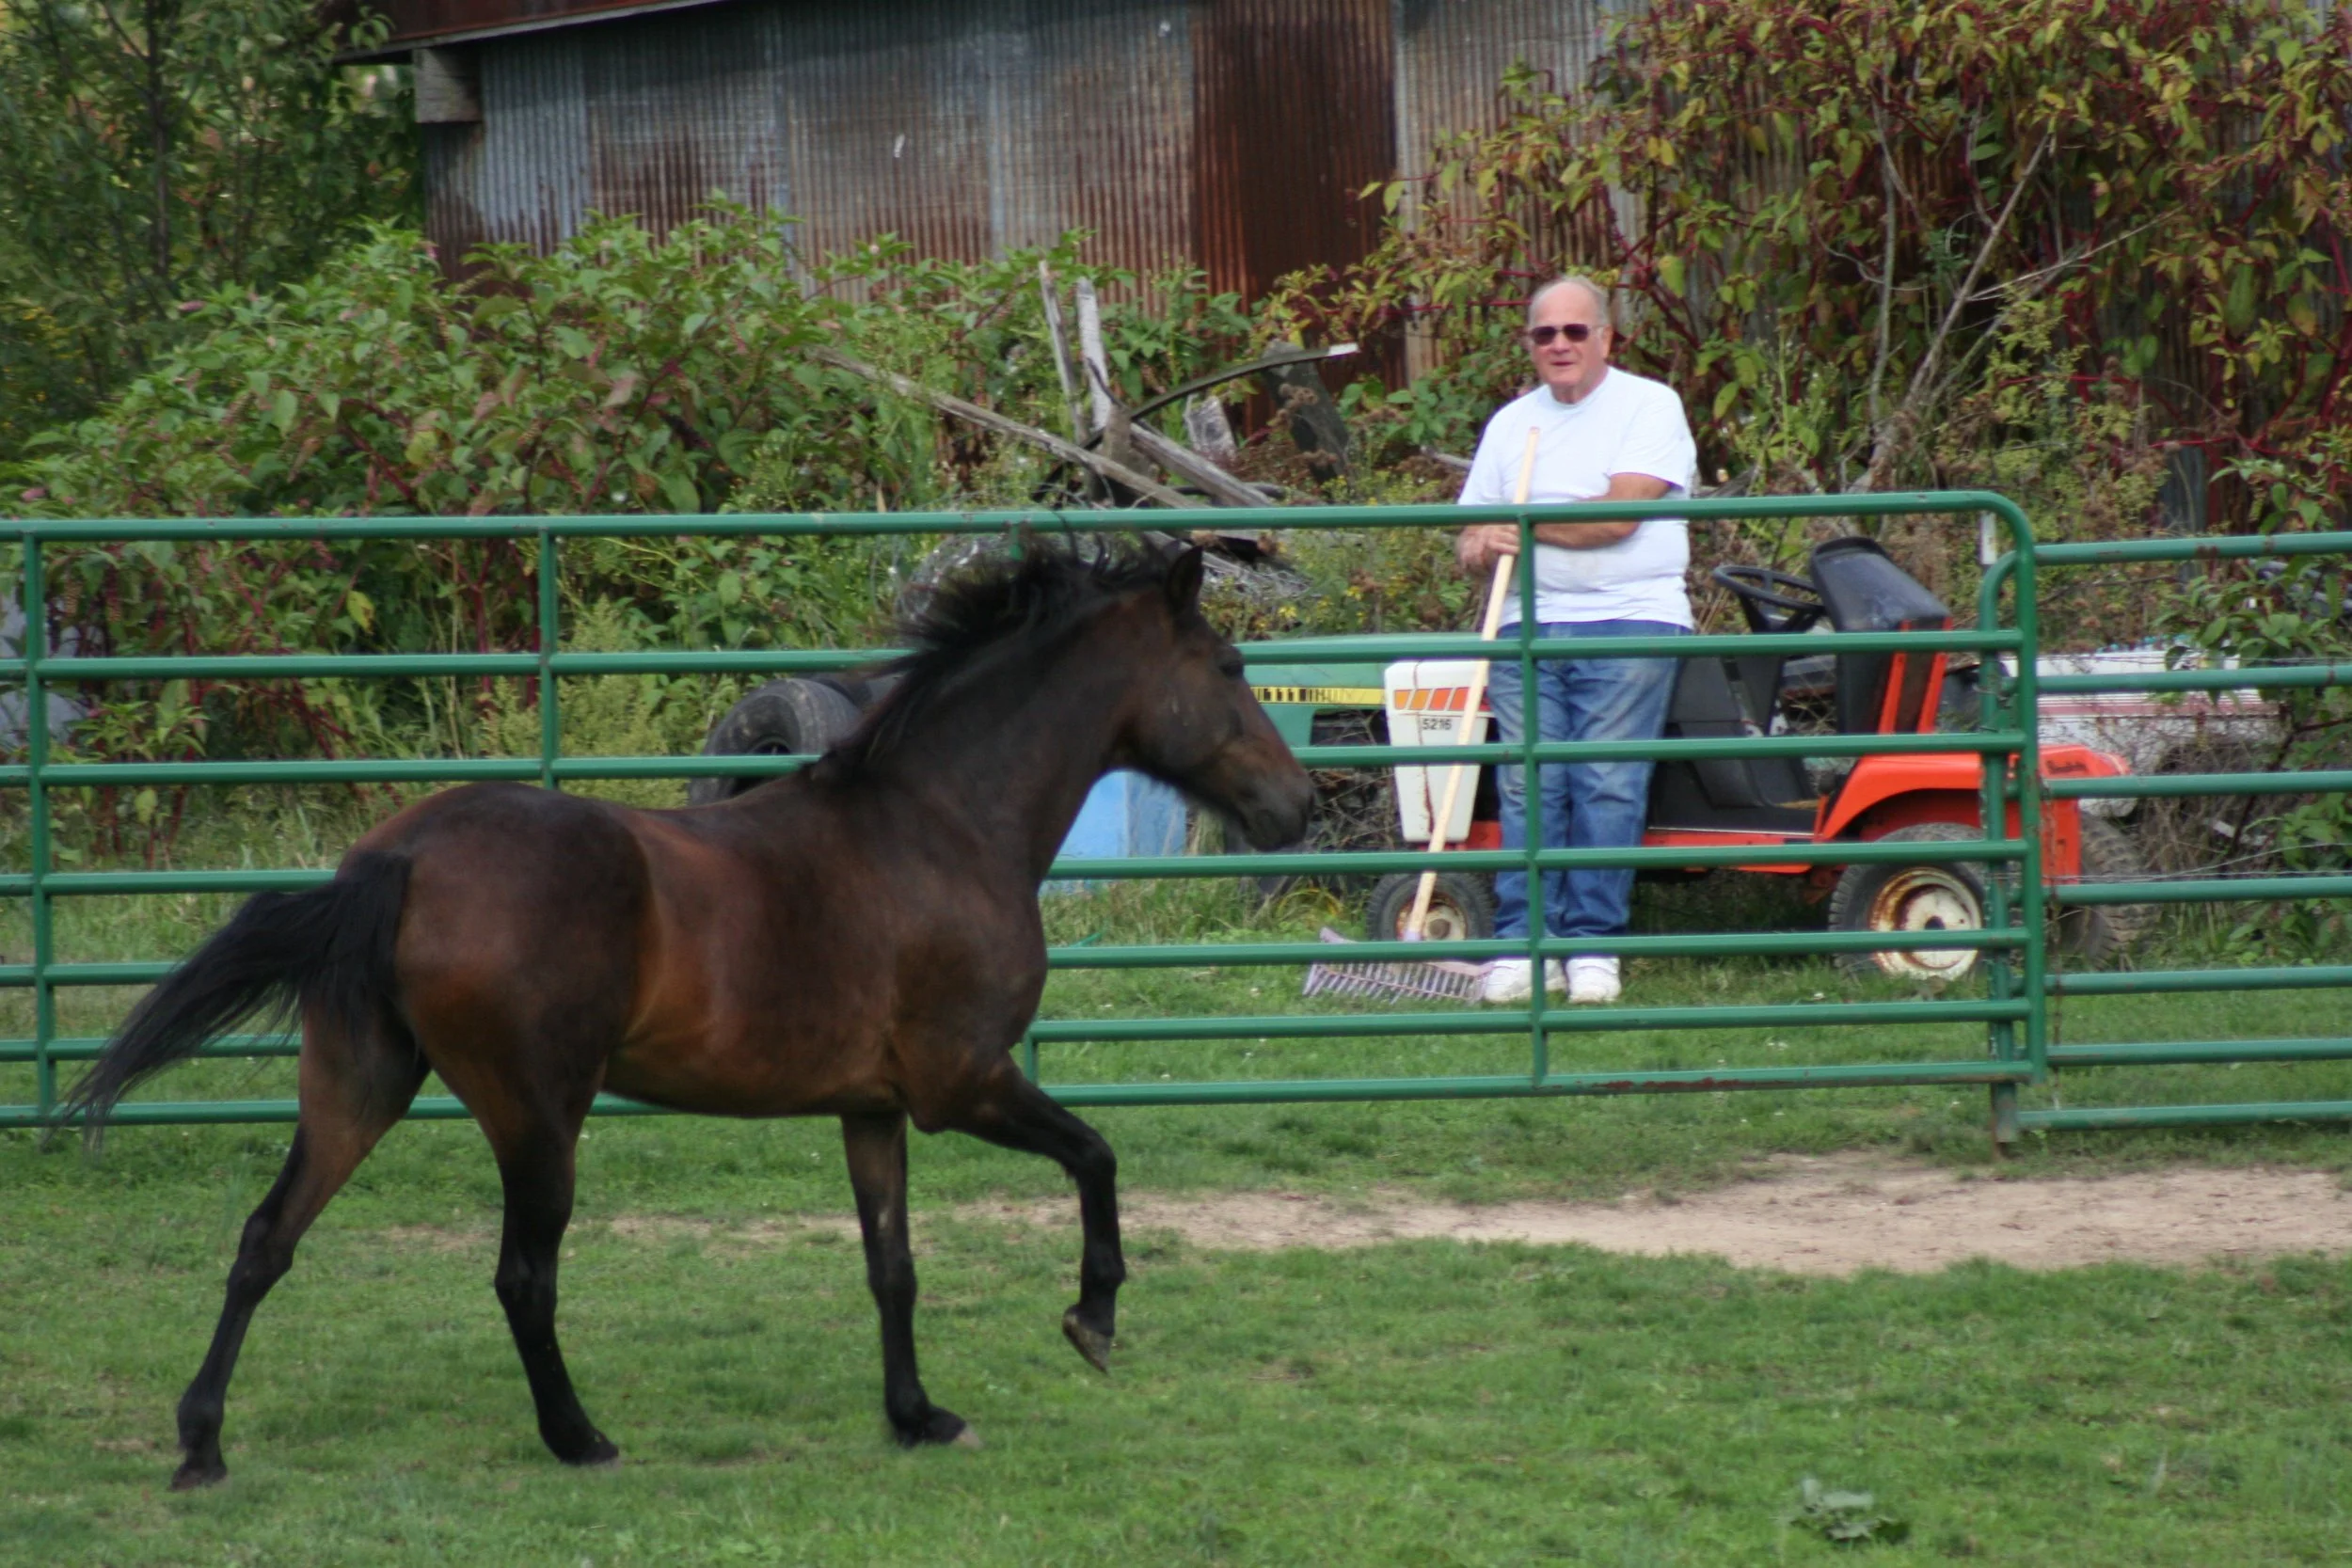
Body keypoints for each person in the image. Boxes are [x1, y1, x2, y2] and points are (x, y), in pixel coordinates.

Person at [1455, 275, 1697, 1005]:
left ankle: (1592, 944)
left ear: (1605, 337)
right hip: (1526, 619)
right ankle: (1524, 943)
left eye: (1574, 330)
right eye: (1544, 333)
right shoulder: (1509, 425)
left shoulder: (1649, 405)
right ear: (1529, 343)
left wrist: (1521, 522)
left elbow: (1618, 517)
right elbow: (1471, 536)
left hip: (1631, 615)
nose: (1559, 344)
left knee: (1605, 779)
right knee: (1530, 785)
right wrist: (1479, 543)